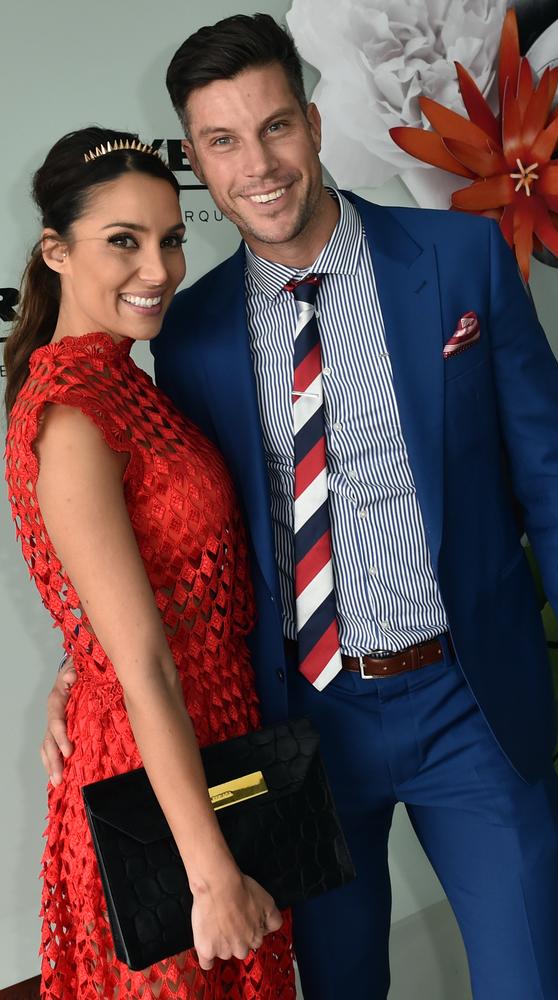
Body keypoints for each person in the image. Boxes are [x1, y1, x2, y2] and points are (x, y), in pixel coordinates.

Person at [42, 15, 558, 1000]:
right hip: (299, 723)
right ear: (195, 158)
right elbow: (181, 522)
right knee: (338, 984)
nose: (258, 165)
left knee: (532, 981)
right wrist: (85, 650)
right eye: (223, 142)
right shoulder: (186, 334)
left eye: (275, 127)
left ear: (313, 126)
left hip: (466, 703)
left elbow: (556, 475)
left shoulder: (459, 259)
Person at [4, 126, 295, 1000]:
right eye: (122, 242)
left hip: (213, 740)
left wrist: (76, 658)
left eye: (170, 238)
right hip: (151, 769)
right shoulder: (71, 412)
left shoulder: (125, 378)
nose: (159, 269)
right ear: (56, 250)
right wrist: (209, 875)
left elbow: (137, 592)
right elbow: (144, 666)